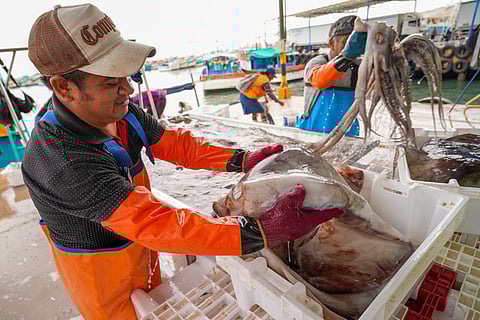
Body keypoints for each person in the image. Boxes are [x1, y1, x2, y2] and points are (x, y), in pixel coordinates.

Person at [22, 4, 343, 320]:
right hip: (100, 276)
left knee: (152, 301)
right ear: (64, 87)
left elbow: (178, 145)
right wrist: (260, 230)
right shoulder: (59, 160)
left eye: (126, 75)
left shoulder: (120, 113)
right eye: (110, 82)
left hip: (140, 252)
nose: (128, 89)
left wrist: (242, 159)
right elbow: (154, 223)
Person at [296, 16, 368, 136]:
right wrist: (346, 57)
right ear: (331, 44)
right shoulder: (316, 63)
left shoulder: (359, 68)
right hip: (312, 133)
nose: (355, 45)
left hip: (348, 134)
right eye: (347, 41)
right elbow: (320, 81)